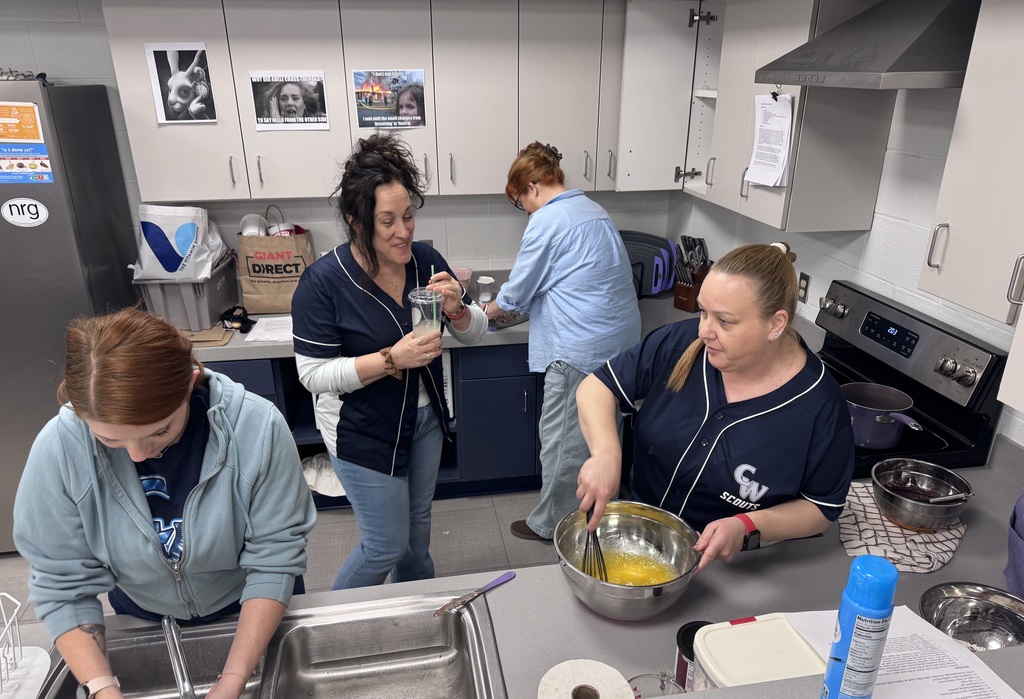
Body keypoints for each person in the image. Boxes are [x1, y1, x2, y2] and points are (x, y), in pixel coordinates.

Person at [13, 309, 316, 699]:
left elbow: (273, 560)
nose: (138, 454)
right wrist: (102, 690)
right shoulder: (60, 450)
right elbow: (62, 586)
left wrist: (234, 677)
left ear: (191, 381)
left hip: (249, 605)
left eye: (160, 431)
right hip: (143, 615)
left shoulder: (256, 427)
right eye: (112, 441)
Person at [575, 242, 855, 573]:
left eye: (724, 321)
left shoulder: (818, 406)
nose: (704, 330)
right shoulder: (682, 346)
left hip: (732, 569)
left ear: (776, 324)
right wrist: (606, 454)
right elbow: (597, 386)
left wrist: (747, 525)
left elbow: (820, 509)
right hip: (636, 535)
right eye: (704, 312)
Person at [291, 133, 487, 590]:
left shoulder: (424, 263)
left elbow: (475, 333)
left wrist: (459, 309)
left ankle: (417, 614)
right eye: (387, 221)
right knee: (384, 544)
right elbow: (313, 376)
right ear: (356, 221)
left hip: (424, 422)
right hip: (362, 430)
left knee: (417, 537)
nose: (404, 232)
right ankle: (332, 628)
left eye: (408, 216)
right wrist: (389, 359)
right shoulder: (323, 284)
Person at [487, 141, 641, 542]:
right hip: (619, 348)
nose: (526, 211)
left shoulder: (548, 220)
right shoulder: (594, 210)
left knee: (563, 443)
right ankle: (597, 514)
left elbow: (516, 294)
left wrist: (478, 313)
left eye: (521, 202)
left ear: (532, 187)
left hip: (579, 350)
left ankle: (552, 525)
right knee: (602, 437)